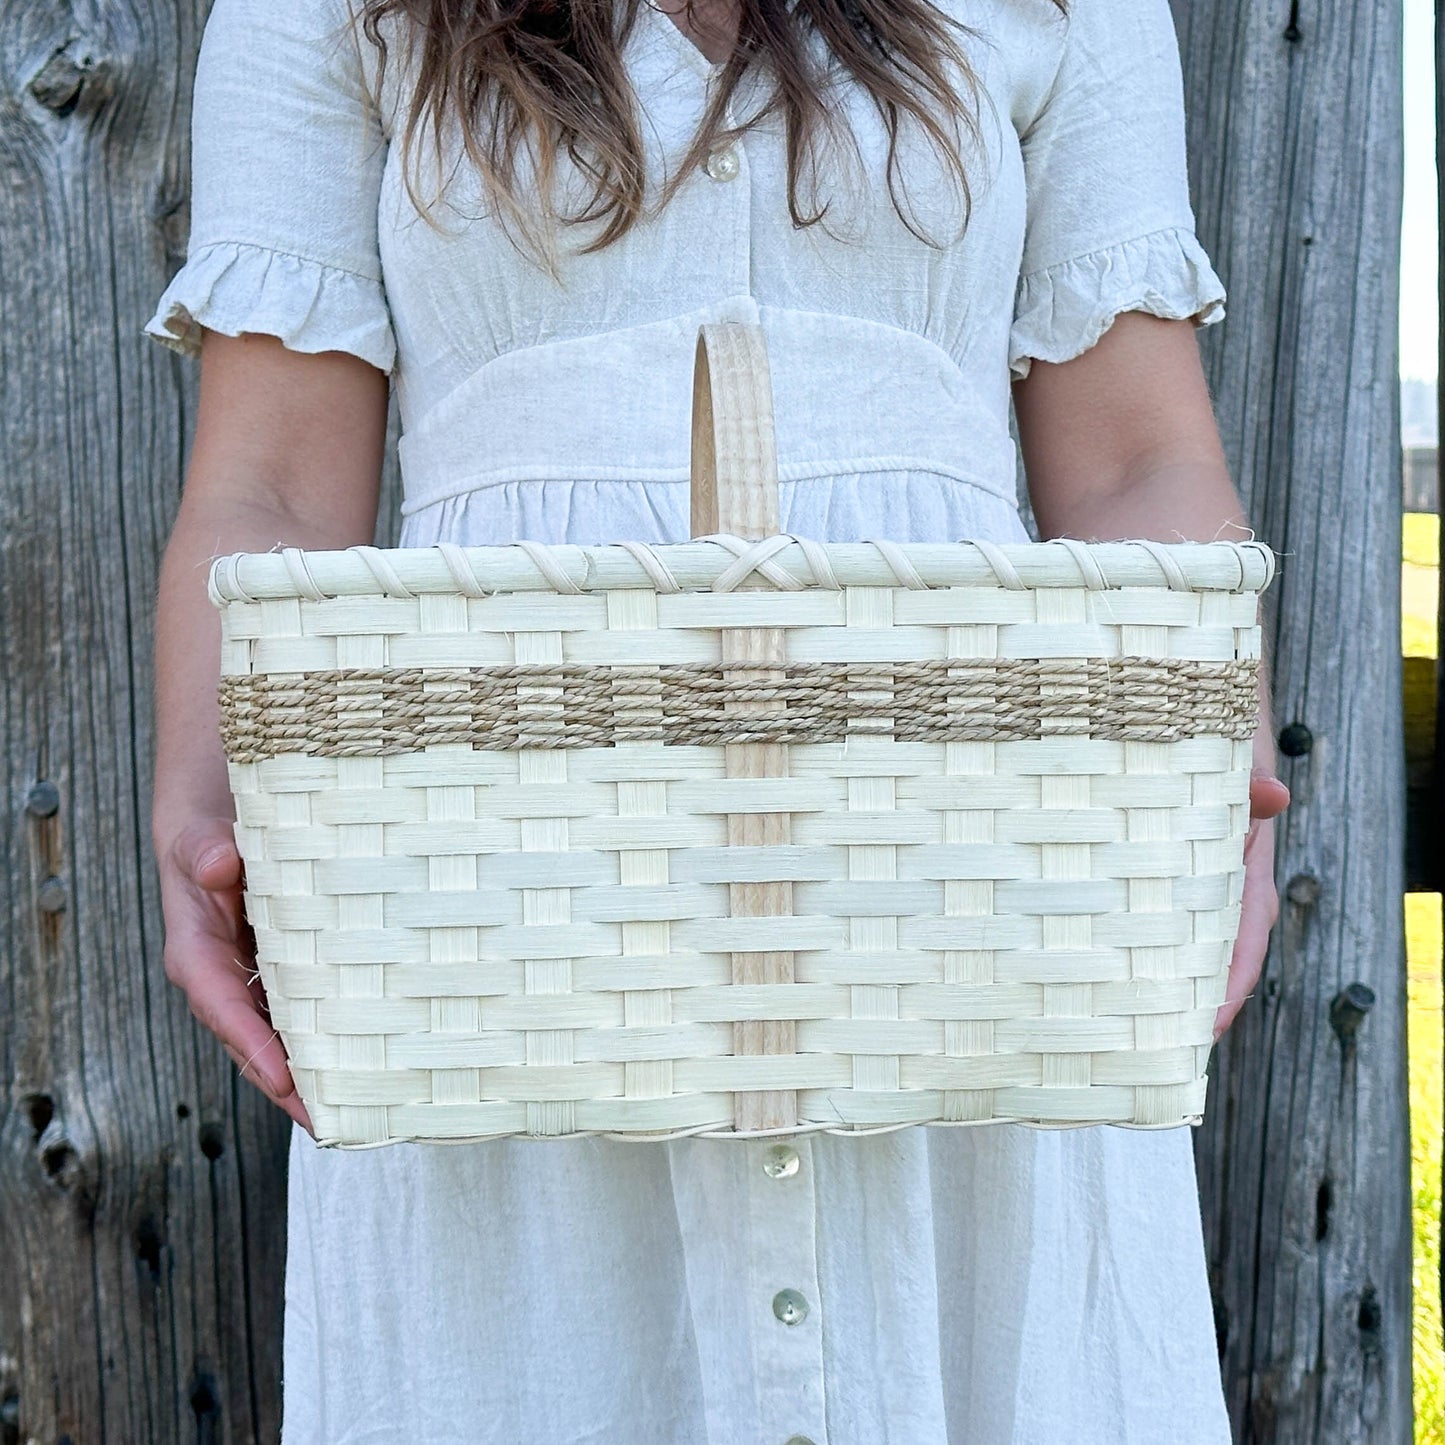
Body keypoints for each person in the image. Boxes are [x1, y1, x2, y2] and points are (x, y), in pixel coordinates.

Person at [145, 0, 1291, 1439]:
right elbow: (270, 483)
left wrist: (1204, 759)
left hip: (963, 899)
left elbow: (1134, 456)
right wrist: (200, 804)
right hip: (500, 912)